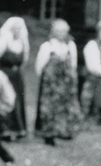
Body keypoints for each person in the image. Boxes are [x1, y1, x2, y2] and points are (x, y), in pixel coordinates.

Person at [34, 18, 81, 146]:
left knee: (65, 108)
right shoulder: (47, 46)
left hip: (66, 83)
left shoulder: (70, 46)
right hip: (51, 85)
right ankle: (49, 135)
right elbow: (39, 66)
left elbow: (73, 64)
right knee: (49, 109)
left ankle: (64, 132)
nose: (61, 34)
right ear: (53, 32)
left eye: (64, 31)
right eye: (58, 31)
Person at [0, 16, 29, 140]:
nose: (17, 31)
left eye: (19, 29)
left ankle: (17, 129)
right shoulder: (3, 41)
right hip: (4, 74)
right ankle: (3, 129)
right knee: (6, 99)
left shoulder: (22, 43)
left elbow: (24, 61)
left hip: (16, 76)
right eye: (15, 28)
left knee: (17, 100)